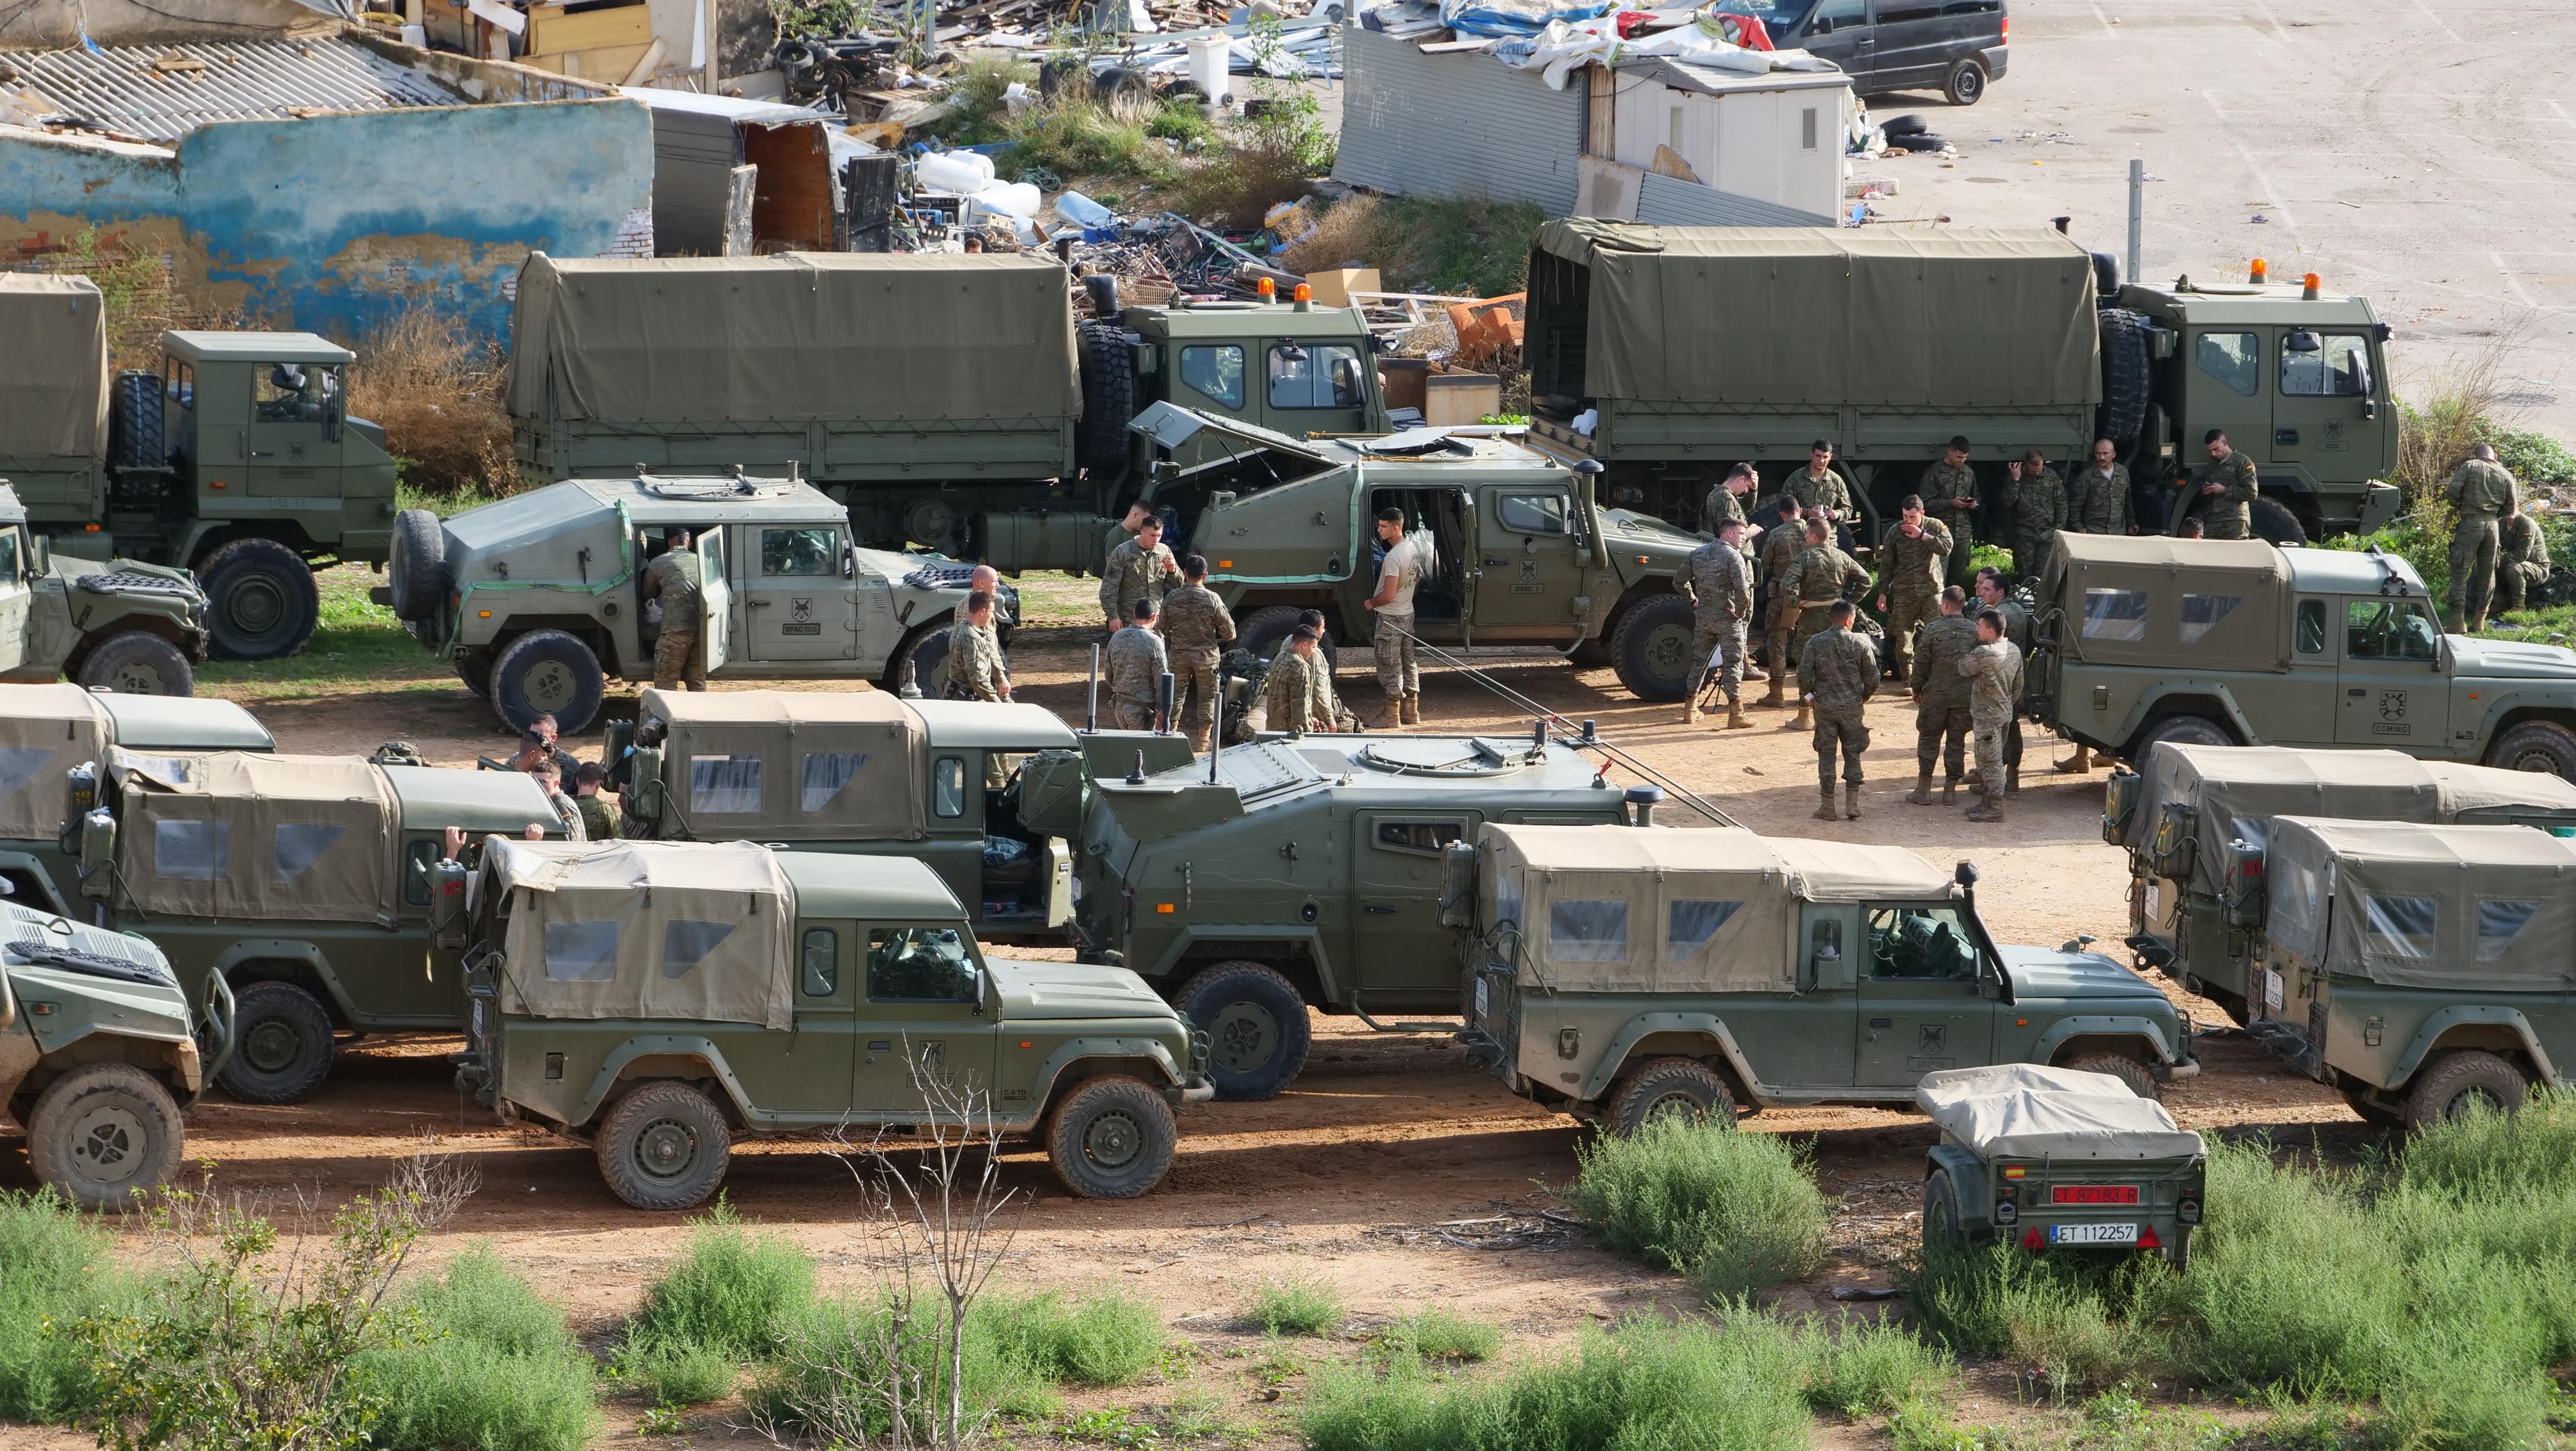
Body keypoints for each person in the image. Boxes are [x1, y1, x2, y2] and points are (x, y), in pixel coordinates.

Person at [1775, 519, 1870, 731]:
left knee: (1806, 663)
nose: (1805, 537)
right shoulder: (1842, 556)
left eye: (1807, 534)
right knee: (1837, 661)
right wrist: (1848, 603)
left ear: (1814, 536)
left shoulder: (1806, 557)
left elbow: (1787, 584)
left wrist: (1796, 603)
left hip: (1811, 617)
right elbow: (1866, 581)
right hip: (1838, 617)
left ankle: (1804, 715)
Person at [1801, 600, 1878, 821]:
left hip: (1824, 707)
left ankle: (1828, 806)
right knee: (1853, 752)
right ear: (1849, 619)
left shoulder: (1815, 642)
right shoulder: (1861, 642)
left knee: (1826, 755)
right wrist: (1864, 696)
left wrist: (1810, 696)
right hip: (1852, 708)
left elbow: (1805, 674)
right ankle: (1852, 805)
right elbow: (1873, 676)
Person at [1676, 517, 1756, 729]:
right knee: (1733, 664)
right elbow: (1743, 590)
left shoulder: (1697, 553)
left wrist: (1693, 600)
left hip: (1704, 617)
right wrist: (1740, 613)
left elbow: (1678, 581)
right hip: (1728, 620)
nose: (1743, 539)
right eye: (1741, 534)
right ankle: (1736, 713)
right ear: (1729, 533)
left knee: (1699, 663)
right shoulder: (1733, 556)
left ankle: (1690, 709)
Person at [1908, 587, 1979, 806]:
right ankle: (1950, 792)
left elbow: (1920, 664)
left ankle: (1924, 790)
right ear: (1963, 604)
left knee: (1929, 739)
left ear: (1945, 605)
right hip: (1964, 697)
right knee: (1956, 742)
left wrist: (1917, 688)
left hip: (1936, 697)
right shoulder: (1975, 630)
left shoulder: (1933, 630)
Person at [1160, 554, 1237, 751]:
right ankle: (1203, 742)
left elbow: (1162, 627)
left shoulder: (1172, 597)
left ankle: (1170, 735)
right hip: (1207, 658)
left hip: (1179, 655)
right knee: (1208, 698)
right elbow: (1230, 634)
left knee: (1175, 696)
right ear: (1206, 575)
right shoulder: (1213, 599)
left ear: (1185, 573)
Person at [2443, 442, 2520, 632]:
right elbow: (2511, 507)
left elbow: (2452, 492)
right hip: (2493, 527)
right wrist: (2494, 514)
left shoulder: (2470, 466)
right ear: (2495, 457)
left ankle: (2457, 622)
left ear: (2478, 455)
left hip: (2470, 523)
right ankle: (2480, 621)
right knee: (2488, 575)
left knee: (2460, 572)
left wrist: (2463, 507)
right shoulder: (2505, 474)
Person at [1874, 496, 1953, 681]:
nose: (1908, 521)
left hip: (1931, 590)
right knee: (1903, 636)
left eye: (1912, 517)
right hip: (1905, 591)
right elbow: (1887, 564)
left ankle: (1937, 676)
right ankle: (1908, 677)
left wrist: (1923, 536)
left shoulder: (1935, 526)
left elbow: (1947, 548)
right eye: (1905, 516)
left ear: (1922, 514)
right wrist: (1883, 593)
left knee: (1936, 632)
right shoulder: (1896, 532)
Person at [1959, 609, 2026, 824]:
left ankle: (1995, 808)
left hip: (1987, 717)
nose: (1976, 629)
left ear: (1990, 630)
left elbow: (1963, 668)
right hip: (2004, 713)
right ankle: (1987, 803)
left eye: (1979, 626)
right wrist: (2006, 703)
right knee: (1991, 759)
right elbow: (2019, 685)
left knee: (1990, 762)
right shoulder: (2014, 650)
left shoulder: (1984, 653)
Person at [1362, 505, 1425, 729]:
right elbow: (1416, 580)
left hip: (1391, 617)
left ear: (1396, 528)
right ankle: (1411, 711)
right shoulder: (1411, 549)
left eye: (1383, 526)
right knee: (1409, 663)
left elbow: (1388, 596)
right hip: (1407, 613)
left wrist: (1372, 602)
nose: (1379, 530)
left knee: (1390, 666)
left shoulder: (1393, 557)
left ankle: (1391, 715)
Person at [1971, 568, 2032, 787]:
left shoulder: (2000, 615)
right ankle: (2009, 776)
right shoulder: (2016, 608)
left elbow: (1985, 646)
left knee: (1996, 734)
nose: (1983, 593)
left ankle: (1996, 781)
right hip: (2012, 678)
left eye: (1988, 589)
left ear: (2001, 592)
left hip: (1998, 682)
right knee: (2011, 726)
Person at [1756, 495, 1812, 705]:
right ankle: (1806, 696)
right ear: (1800, 511)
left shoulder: (1777, 534)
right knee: (1808, 644)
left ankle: (1777, 693)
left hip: (1782, 596)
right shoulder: (1813, 532)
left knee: (1777, 643)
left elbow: (1766, 565)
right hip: (1808, 597)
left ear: (1782, 514)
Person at [642, 528, 707, 691]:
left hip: (675, 631)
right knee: (697, 680)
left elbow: (647, 594)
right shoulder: (705, 561)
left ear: (670, 542)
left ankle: (669, 715)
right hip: (703, 628)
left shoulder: (659, 562)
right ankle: (700, 715)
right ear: (690, 543)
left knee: (666, 681)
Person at [1098, 514, 1182, 630]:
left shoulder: (1164, 551)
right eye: (1153, 535)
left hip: (1155, 620)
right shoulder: (1123, 552)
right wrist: (1113, 617)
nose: (1156, 540)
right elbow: (1109, 588)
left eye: (1159, 536)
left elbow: (1179, 584)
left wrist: (1173, 570)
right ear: (1142, 532)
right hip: (1128, 620)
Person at [1920, 435, 1980, 587]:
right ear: (1950, 451)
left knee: (1958, 576)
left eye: (1965, 458)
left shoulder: (1968, 473)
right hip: (1941, 531)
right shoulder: (1935, 472)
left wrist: (1973, 504)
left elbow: (1977, 498)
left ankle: (1955, 606)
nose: (1962, 460)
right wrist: (1950, 503)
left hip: (1962, 531)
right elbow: (1925, 502)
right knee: (1938, 575)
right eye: (1959, 457)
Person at [2001, 449, 2066, 580]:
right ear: (2026, 465)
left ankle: (2042, 599)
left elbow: (2061, 504)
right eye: (2033, 471)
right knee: (2025, 574)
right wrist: (2016, 481)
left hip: (2047, 533)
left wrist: (2058, 529)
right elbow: (2007, 503)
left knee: (2044, 574)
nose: (2037, 473)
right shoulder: (2016, 478)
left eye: (2039, 469)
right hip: (2025, 533)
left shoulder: (2051, 476)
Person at [1106, 596, 1167, 731]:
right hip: (1141, 709)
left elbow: (1108, 673)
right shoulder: (1154, 642)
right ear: (1154, 617)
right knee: (1141, 749)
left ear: (1134, 614)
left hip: (1119, 705)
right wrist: (1164, 709)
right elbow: (1162, 679)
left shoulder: (1117, 636)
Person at [2185, 429, 2259, 540]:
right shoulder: (2212, 465)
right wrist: (2207, 492)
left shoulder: (2242, 461)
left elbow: (2252, 492)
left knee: (2236, 554)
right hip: (2216, 520)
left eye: (2216, 449)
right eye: (2210, 451)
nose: (2214, 454)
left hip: (2236, 520)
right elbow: (2208, 499)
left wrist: (2225, 490)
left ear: (2224, 443)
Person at [943, 590, 1010, 701]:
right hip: (967, 701)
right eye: (992, 612)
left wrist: (1000, 678)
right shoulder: (973, 639)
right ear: (983, 612)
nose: (992, 616)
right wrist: (998, 704)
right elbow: (979, 681)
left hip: (958, 696)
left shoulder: (961, 627)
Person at [1296, 609, 1357, 731]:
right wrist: (1329, 720)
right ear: (1314, 629)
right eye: (1322, 628)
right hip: (1315, 719)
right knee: (1352, 726)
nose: (1324, 631)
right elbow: (1319, 692)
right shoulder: (1315, 655)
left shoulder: (1290, 643)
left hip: (1298, 713)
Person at [1265, 626, 1331, 734]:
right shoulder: (1301, 668)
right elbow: (1300, 707)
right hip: (1290, 735)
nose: (1314, 652)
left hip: (1273, 728)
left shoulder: (1279, 658)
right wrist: (1306, 731)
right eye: (1314, 647)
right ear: (1304, 645)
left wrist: (1310, 720)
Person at [2066, 438, 2133, 536]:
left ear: (2113, 454)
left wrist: (2131, 523)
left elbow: (2127, 500)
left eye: (2105, 454)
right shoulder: (2087, 476)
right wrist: (2079, 528)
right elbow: (2075, 505)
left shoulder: (2123, 473)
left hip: (2118, 532)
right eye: (2098, 453)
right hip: (2094, 532)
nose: (2101, 457)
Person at [2497, 501, 2552, 615]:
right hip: (2517, 564)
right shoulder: (2500, 524)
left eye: (2512, 507)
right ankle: (2498, 602)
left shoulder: (2526, 524)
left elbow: (2521, 555)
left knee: (2514, 568)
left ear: (2518, 507)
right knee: (2484, 565)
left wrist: (2498, 560)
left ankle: (2519, 606)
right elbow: (2495, 547)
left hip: (2537, 568)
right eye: (2506, 507)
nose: (2509, 510)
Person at [1784, 440, 1854, 522]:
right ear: (1812, 454)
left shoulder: (1836, 481)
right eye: (1818, 456)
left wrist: (1837, 513)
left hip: (1827, 533)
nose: (1821, 461)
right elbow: (1784, 507)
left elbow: (1848, 509)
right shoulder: (1796, 478)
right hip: (1803, 532)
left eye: (1825, 457)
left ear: (1830, 457)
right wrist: (1806, 512)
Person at [528, 758, 588, 841]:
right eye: (536, 781)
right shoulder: (548, 802)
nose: (538, 785)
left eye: (543, 782)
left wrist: (538, 841)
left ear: (557, 783)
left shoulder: (563, 805)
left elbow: (573, 841)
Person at [1700, 463, 1758, 539]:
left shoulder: (1716, 494)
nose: (1746, 490)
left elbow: (1744, 507)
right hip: (1737, 550)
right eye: (1747, 486)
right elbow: (1732, 535)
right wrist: (1751, 531)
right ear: (1741, 479)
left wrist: (1753, 490)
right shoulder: (1727, 499)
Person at [572, 761, 620, 841]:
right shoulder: (605, 809)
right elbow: (617, 840)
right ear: (598, 784)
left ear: (578, 781)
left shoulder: (567, 805)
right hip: (598, 853)